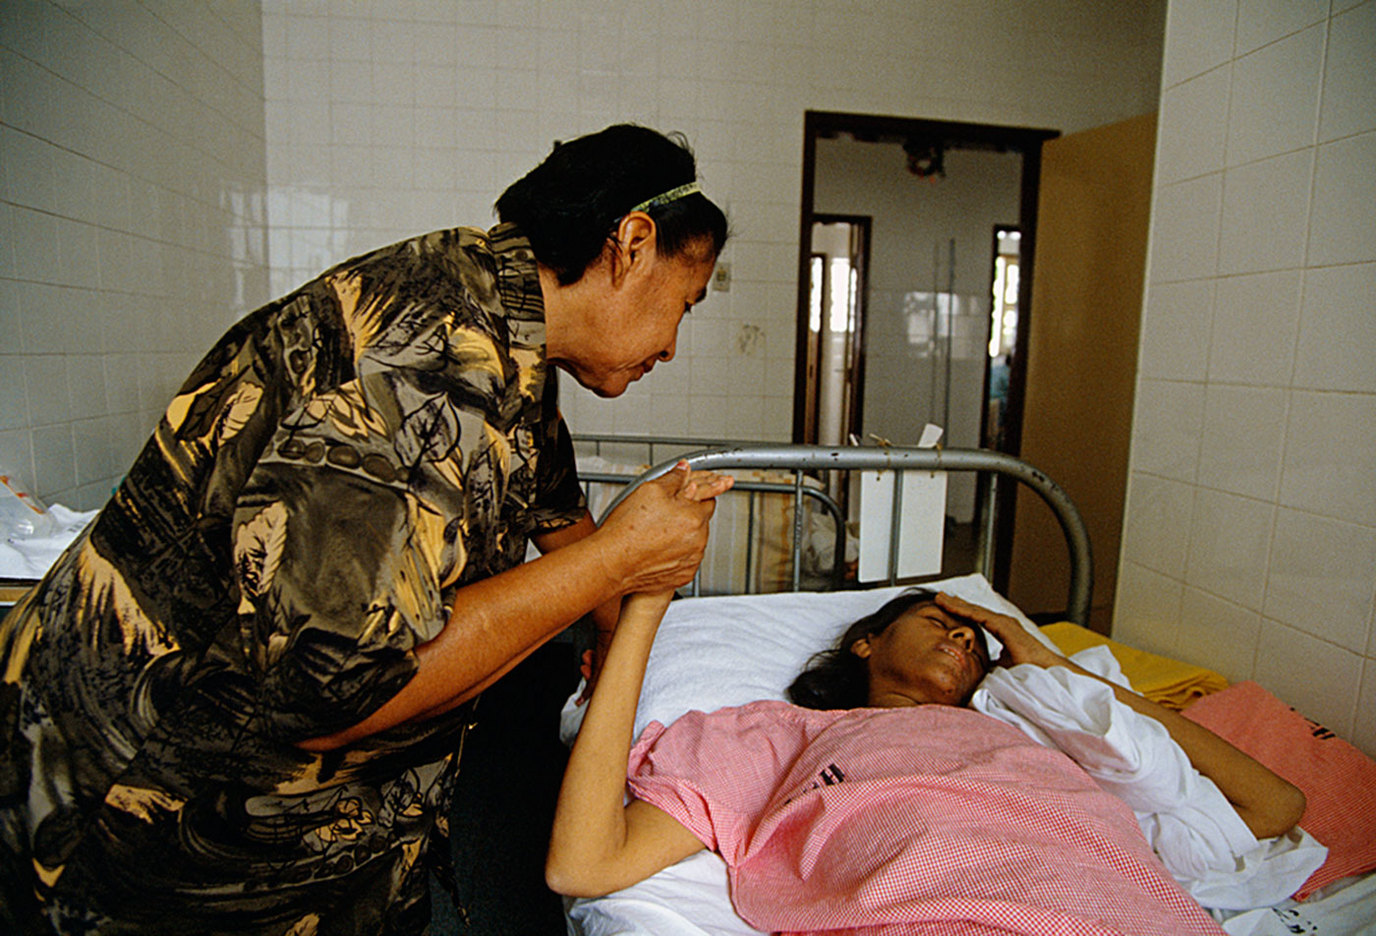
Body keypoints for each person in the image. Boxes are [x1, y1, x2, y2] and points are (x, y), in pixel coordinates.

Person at [0, 123, 735, 935]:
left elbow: (559, 521)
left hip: (316, 830)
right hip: (143, 814)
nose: (671, 345)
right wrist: (620, 562)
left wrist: (630, 610)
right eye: (686, 304)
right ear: (631, 246)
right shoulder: (415, 369)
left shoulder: (508, 335)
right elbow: (339, 694)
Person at [547, 583, 1307, 936]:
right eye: (941, 619)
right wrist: (644, 610)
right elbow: (584, 867)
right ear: (866, 642)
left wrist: (1048, 663)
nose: (965, 636)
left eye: (978, 637)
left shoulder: (1034, 732)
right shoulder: (782, 737)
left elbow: (1276, 807)